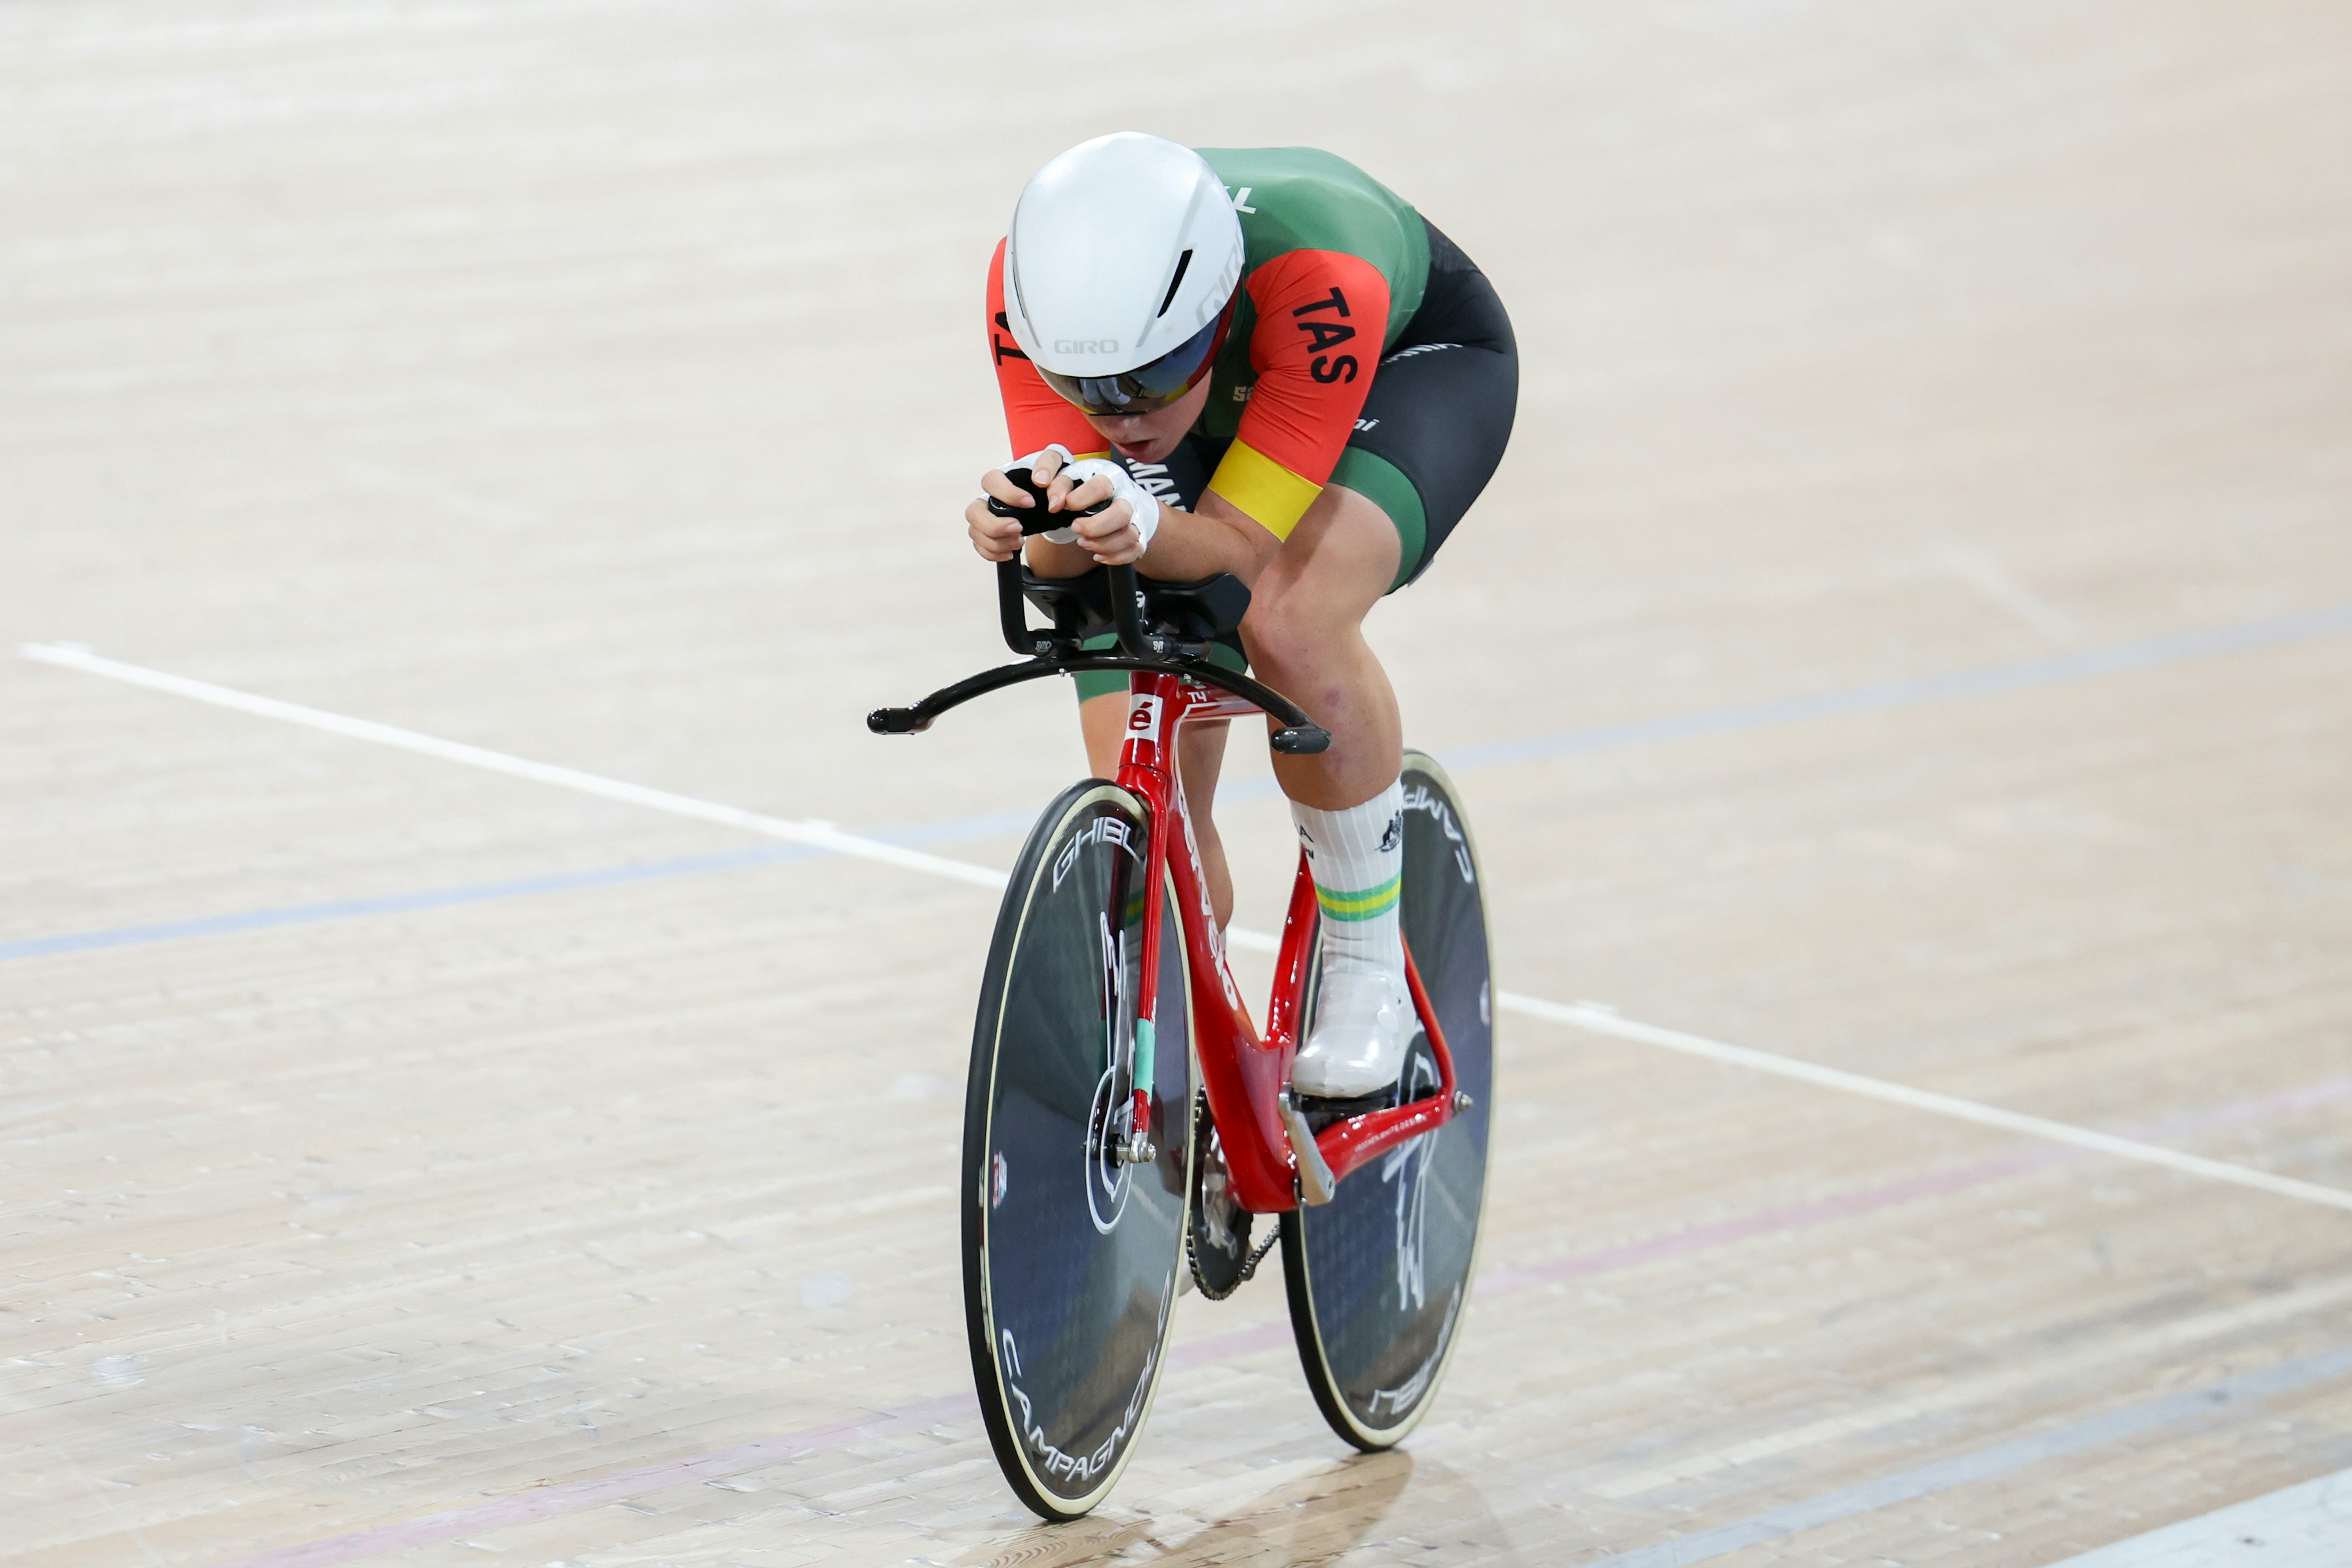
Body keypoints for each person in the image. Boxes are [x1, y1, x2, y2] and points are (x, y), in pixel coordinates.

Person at [966, 133, 1516, 1099]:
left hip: (1398, 366)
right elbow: (1066, 562)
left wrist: (1136, 512)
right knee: (1133, 730)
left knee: (1287, 619)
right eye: (1085, 389)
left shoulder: (1321, 278)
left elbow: (1233, 554)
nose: (1120, 414)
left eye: (1147, 378)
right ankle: (1192, 1068)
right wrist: (1030, 515)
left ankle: (1363, 965)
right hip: (1227, 386)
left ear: (1214, 317)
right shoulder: (1030, 289)